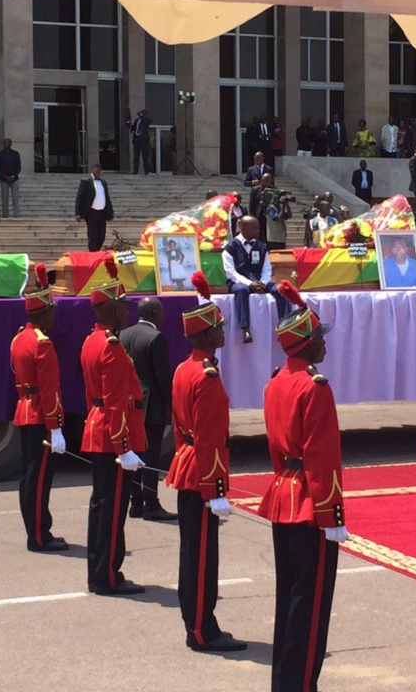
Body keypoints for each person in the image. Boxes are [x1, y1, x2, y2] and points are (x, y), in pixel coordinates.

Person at [259, 281, 345, 692]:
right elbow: (323, 456)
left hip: (283, 494)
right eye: (318, 340)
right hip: (310, 502)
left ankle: (286, 681)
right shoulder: (315, 387)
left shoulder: (275, 381)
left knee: (289, 598)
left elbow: (279, 449)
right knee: (309, 606)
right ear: (306, 345)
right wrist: (332, 514)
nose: (324, 346)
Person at [166, 272, 248, 653]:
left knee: (192, 550)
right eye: (218, 329)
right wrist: (216, 489)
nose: (222, 334)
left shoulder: (185, 368)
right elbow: (212, 438)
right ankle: (201, 628)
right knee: (200, 556)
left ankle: (198, 621)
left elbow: (179, 426)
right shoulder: (207, 377)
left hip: (187, 463)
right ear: (205, 336)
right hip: (201, 473)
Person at [80, 256, 148, 596]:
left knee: (102, 504)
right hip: (112, 436)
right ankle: (105, 575)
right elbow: (115, 401)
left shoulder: (94, 341)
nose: (128, 312)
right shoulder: (110, 347)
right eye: (123, 306)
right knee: (111, 508)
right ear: (109, 311)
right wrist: (125, 448)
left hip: (99, 428)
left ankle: (101, 570)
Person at [11, 263, 69, 553]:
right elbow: (50, 390)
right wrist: (56, 426)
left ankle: (37, 529)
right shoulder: (42, 343)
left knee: (30, 477)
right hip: (39, 416)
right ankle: (38, 534)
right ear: (44, 312)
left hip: (24, 408)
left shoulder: (20, 337)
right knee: (39, 479)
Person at [119, 297, 178, 522]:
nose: (163, 316)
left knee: (134, 454)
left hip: (131, 404)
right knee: (151, 456)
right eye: (161, 311)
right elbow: (163, 377)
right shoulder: (156, 337)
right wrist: (173, 406)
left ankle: (136, 503)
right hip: (151, 405)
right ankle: (151, 503)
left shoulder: (124, 334)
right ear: (154, 313)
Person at [221, 216, 289, 344]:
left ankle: (284, 325)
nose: (258, 231)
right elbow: (231, 272)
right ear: (242, 228)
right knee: (241, 290)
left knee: (281, 289)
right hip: (238, 281)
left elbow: (267, 269)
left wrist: (262, 282)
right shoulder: (230, 247)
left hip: (260, 280)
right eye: (254, 228)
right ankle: (245, 328)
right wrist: (249, 284)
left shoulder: (261, 246)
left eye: (258, 228)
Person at [75, 164, 114, 252]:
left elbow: (107, 198)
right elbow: (79, 197)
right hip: (91, 213)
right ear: (93, 170)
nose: (98, 173)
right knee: (93, 235)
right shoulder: (86, 182)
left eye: (100, 171)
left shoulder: (103, 183)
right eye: (97, 170)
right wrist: (78, 213)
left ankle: (97, 250)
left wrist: (110, 213)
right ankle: (93, 252)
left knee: (102, 235)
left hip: (102, 213)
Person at [257, 175, 292, 251]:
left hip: (281, 237)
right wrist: (282, 205)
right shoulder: (271, 208)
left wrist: (287, 205)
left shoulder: (280, 207)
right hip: (273, 238)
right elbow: (277, 219)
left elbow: (289, 216)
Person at [243, 151, 273, 220]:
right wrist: (253, 182)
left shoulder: (269, 169)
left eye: (257, 158)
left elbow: (272, 182)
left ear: (262, 159)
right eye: (255, 159)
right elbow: (245, 183)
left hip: (267, 193)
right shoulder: (251, 169)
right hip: (256, 193)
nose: (255, 160)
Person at [0, 138, 21, 218]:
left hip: (14, 179)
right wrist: (5, 176)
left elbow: (18, 167)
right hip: (4, 179)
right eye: (4, 143)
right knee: (4, 197)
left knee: (15, 197)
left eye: (7, 143)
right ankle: (5, 214)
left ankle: (16, 214)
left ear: (10, 144)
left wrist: (14, 176)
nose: (5, 144)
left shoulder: (16, 154)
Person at [130, 108, 151, 174]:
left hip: (143, 140)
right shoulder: (136, 120)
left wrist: (143, 117)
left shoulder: (147, 120)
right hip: (137, 139)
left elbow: (147, 122)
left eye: (142, 113)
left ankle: (146, 171)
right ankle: (135, 171)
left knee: (145, 156)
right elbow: (133, 127)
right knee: (136, 156)